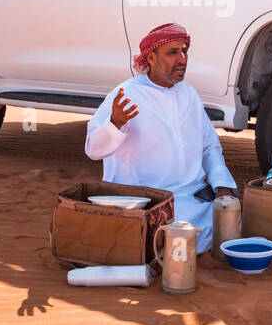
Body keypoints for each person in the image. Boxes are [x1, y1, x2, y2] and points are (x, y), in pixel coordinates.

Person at [84, 22, 237, 253]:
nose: (182, 59)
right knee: (169, 235)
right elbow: (92, 150)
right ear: (152, 58)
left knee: (231, 215)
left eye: (184, 51)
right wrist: (115, 124)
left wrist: (222, 184)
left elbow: (209, 147)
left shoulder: (189, 94)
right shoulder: (126, 94)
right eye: (173, 53)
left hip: (190, 198)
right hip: (145, 199)